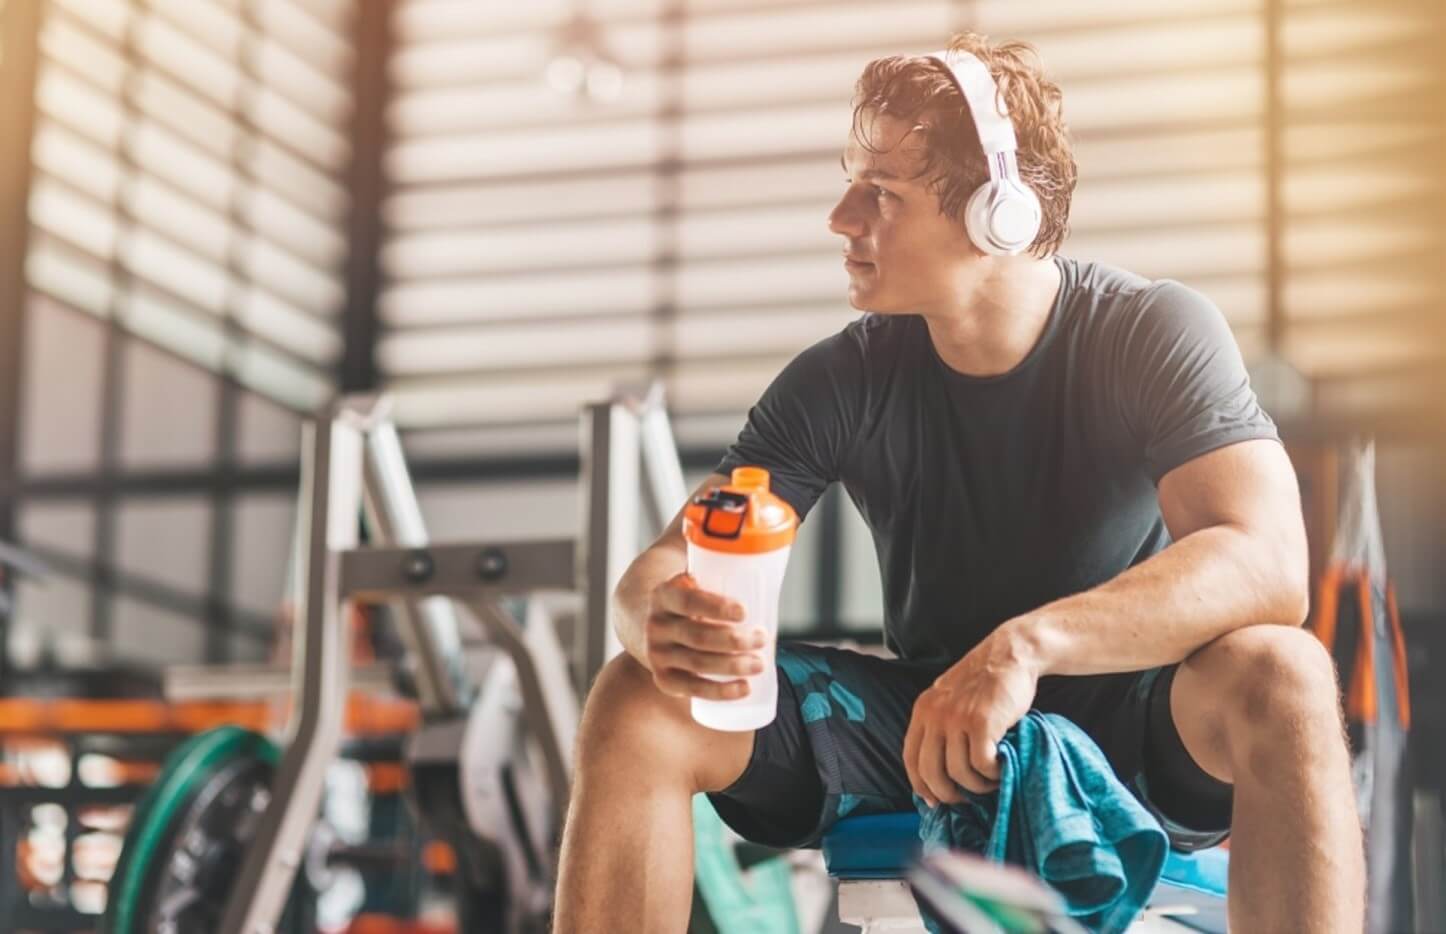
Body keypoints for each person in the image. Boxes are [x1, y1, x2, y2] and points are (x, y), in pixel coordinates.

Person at [554, 32, 1362, 933]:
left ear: (997, 215)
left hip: (1132, 719)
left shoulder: (1151, 331)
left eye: (882, 194)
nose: (841, 218)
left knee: (1285, 671)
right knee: (635, 701)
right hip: (926, 732)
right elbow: (676, 557)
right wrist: (656, 616)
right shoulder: (842, 378)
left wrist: (1023, 648)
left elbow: (1268, 565)